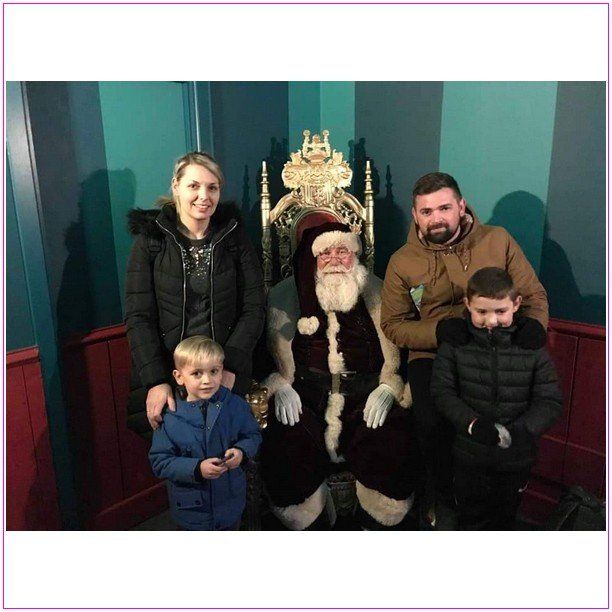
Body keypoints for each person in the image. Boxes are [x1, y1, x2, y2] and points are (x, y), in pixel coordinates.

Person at [381, 172, 549, 528]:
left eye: (444, 208)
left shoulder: (497, 240)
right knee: (432, 423)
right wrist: (437, 331)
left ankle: (501, 506)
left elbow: (532, 295)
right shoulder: (402, 261)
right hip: (434, 352)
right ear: (415, 215)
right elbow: (393, 325)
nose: (436, 218)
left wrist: (534, 326)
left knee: (510, 415)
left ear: (461, 206)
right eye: (426, 211)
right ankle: (445, 501)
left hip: (495, 345)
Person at [260, 222, 418, 530]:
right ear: (314, 258)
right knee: (287, 444)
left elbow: (405, 344)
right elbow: (263, 351)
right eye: (326, 253)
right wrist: (279, 386)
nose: (334, 260)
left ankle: (373, 519)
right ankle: (312, 519)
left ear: (355, 255)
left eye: (342, 251)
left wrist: (389, 386)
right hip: (307, 395)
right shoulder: (284, 295)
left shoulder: (379, 291)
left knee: (392, 440)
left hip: (367, 393)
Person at [125, 151, 265, 434]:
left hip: (223, 371)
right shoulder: (151, 241)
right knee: (175, 453)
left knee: (230, 451)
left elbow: (254, 307)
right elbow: (139, 316)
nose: (204, 196)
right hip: (171, 374)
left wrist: (226, 369)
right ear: (176, 186)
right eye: (194, 186)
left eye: (212, 187)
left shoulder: (234, 237)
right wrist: (156, 380)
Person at [430, 268, 562, 529]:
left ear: (516, 304)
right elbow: (442, 391)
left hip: (517, 457)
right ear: (468, 304)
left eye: (501, 311)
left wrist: (523, 430)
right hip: (469, 455)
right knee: (470, 518)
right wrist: (472, 424)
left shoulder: (531, 346)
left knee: (506, 517)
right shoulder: (455, 343)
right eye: (481, 311)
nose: (491, 321)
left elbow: (550, 400)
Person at [149, 336, 262, 530]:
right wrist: (196, 469)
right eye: (197, 373)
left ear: (221, 370)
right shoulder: (170, 416)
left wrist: (241, 452)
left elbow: (253, 435)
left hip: (230, 505)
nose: (207, 380)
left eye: (214, 371)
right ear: (179, 376)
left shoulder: (235, 405)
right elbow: (160, 461)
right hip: (192, 511)